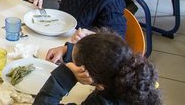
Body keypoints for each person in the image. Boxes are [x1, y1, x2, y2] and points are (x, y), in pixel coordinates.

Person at [33, 32, 161, 105]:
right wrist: (69, 50)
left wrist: (66, 73)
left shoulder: (100, 102)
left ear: (99, 85)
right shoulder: (138, 77)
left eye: (77, 65)